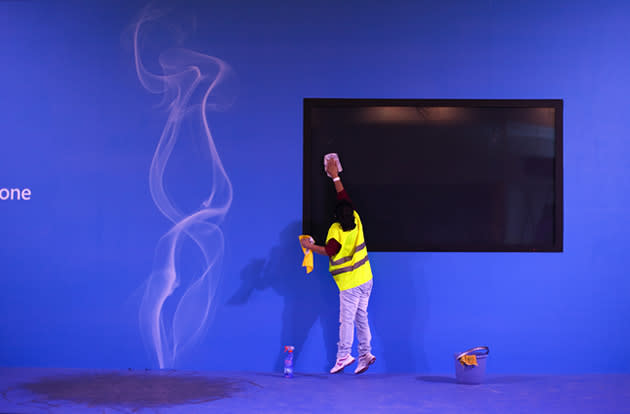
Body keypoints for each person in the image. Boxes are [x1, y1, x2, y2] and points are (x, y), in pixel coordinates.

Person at [300, 157, 376, 374]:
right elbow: (343, 197)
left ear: (336, 217)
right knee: (362, 317)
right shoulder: (356, 219)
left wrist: (309, 245)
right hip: (366, 279)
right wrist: (335, 175)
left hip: (350, 285)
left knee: (347, 321)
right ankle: (365, 354)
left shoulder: (336, 232)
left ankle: (343, 356)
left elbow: (330, 251)